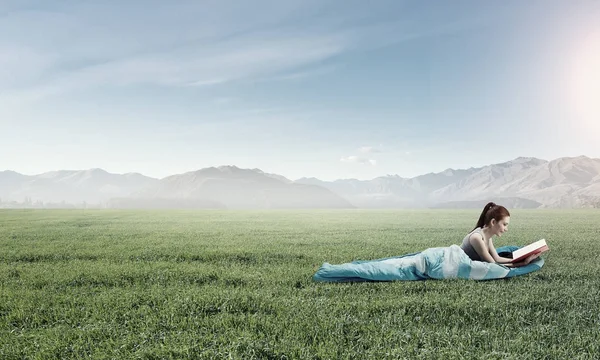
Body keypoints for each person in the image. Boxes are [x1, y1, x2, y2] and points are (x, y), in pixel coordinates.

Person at [460, 202, 540, 267]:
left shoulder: (487, 236)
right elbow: (493, 265)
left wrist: (520, 258)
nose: (506, 229)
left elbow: (497, 259)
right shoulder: (476, 238)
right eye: (504, 224)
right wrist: (523, 263)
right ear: (493, 222)